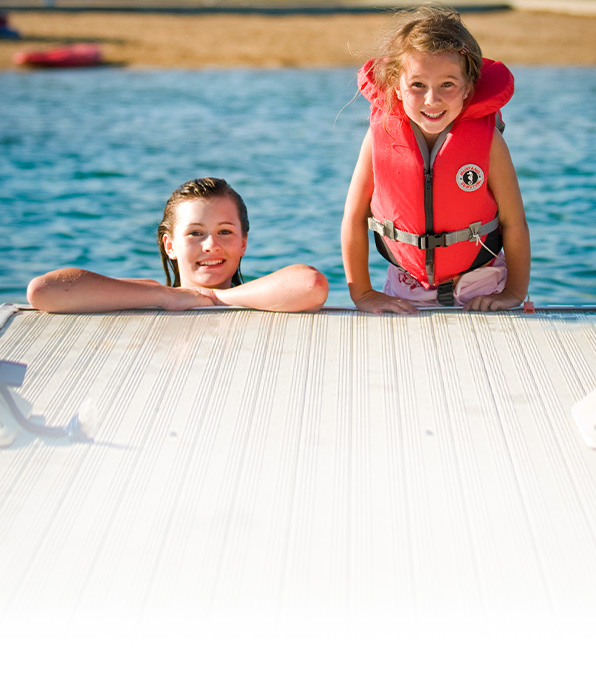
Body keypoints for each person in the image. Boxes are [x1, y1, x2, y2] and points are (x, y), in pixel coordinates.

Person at [341, 5, 530, 314]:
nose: (432, 99)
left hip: (483, 285)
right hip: (406, 288)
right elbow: (353, 219)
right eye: (418, 85)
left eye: (447, 84)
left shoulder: (489, 143)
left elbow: (514, 222)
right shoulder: (379, 139)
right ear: (397, 88)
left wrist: (513, 292)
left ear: (468, 88)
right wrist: (362, 293)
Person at [27, 177, 328, 313]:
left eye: (224, 232)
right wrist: (166, 296)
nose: (211, 245)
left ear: (243, 243)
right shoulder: (150, 294)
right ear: (169, 245)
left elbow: (310, 284)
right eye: (195, 233)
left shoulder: (265, 295)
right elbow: (43, 291)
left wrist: (214, 297)